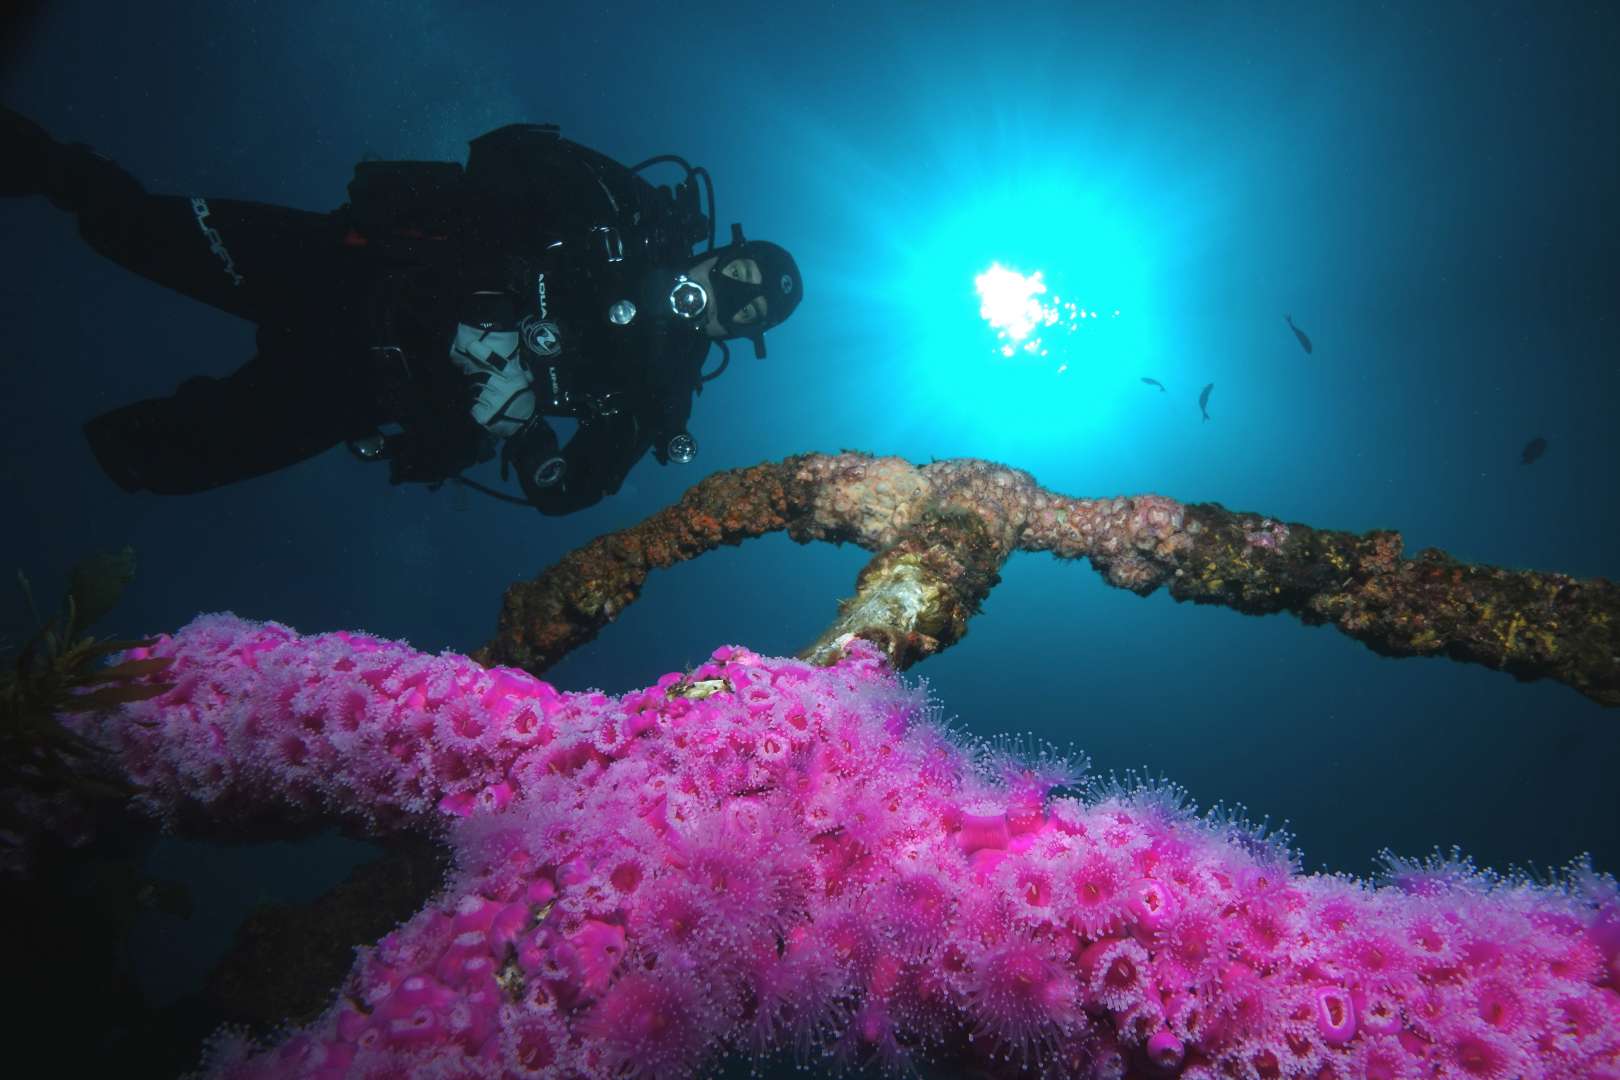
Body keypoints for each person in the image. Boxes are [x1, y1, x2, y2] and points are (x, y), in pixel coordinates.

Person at [2, 107, 803, 513]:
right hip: (358, 274)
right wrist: (496, 289)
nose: (729, 298)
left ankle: (27, 476)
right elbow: (508, 154)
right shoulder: (626, 214)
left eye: (747, 313)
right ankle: (32, 158)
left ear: (746, 338)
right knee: (138, 230)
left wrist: (521, 426)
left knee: (161, 458)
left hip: (368, 389)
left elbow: (573, 489)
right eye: (738, 274)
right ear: (712, 249)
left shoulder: (659, 393)